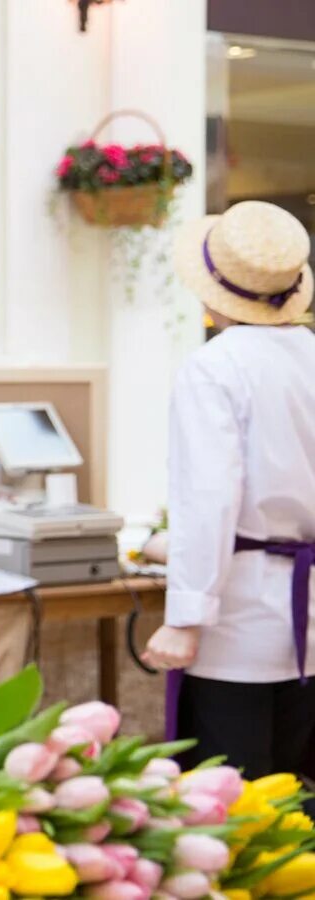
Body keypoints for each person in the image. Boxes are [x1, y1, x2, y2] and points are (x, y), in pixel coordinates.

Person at [141, 200, 315, 780]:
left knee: (230, 813)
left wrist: (185, 619)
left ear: (214, 297)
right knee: (297, 815)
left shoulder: (215, 368)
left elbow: (209, 500)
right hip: (307, 620)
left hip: (237, 629)